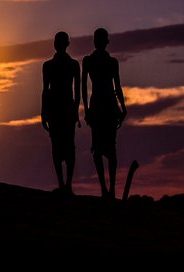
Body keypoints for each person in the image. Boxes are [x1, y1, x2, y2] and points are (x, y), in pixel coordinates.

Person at [82, 28, 127, 199]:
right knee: (103, 149)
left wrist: (122, 107)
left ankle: (108, 188)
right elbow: (84, 87)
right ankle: (106, 188)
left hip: (104, 106)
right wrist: (86, 109)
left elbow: (117, 87)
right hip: (104, 106)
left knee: (103, 149)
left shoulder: (103, 61)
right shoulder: (92, 61)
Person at [41, 31, 81, 195]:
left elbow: (76, 92)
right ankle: (63, 184)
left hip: (63, 109)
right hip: (57, 109)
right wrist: (44, 113)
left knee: (66, 147)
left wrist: (75, 110)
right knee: (59, 147)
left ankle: (67, 184)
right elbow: (45, 90)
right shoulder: (49, 66)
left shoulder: (72, 65)